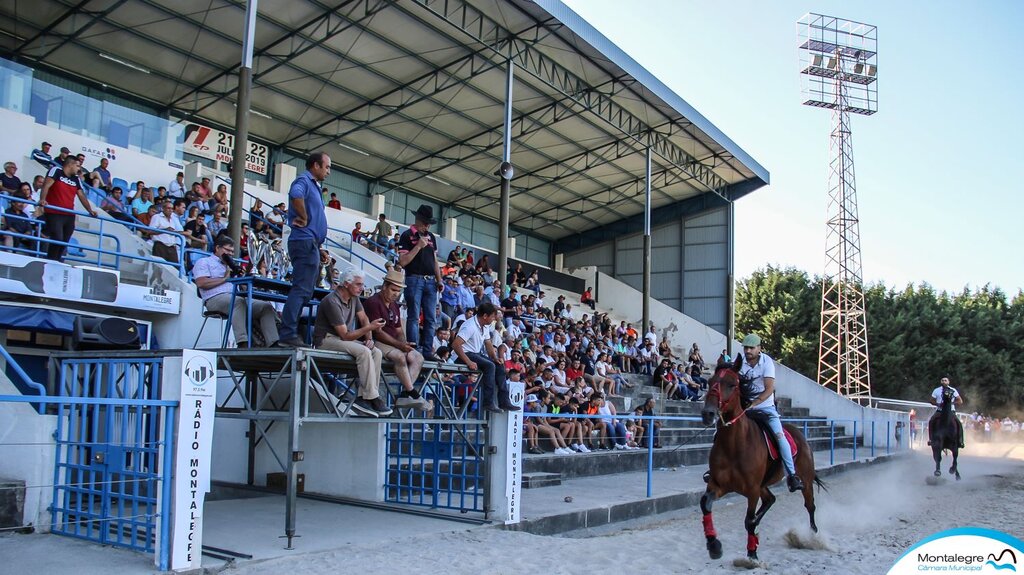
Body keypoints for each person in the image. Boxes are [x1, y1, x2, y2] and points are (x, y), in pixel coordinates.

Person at [314, 270, 391, 417]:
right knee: (364, 352)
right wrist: (370, 328)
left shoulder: (354, 298)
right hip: (326, 340)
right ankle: (372, 397)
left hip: (341, 339)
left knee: (376, 351)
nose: (361, 288)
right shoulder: (331, 301)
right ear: (346, 283)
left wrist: (369, 339)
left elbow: (364, 319)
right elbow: (345, 335)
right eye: (358, 284)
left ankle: (365, 397)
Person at [737, 333, 803, 492]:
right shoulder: (738, 362)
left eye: (751, 348)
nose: (748, 351)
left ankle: (792, 476)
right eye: (746, 347)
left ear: (759, 348)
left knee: (780, 438)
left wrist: (753, 403)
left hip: (765, 408)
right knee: (721, 430)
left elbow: (769, 389)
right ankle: (717, 469)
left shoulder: (767, 363)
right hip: (744, 408)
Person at [277, 152, 330, 347]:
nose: (328, 171)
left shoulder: (313, 185)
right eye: (327, 167)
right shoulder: (304, 180)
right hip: (304, 241)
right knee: (301, 289)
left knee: (305, 291)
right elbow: (295, 195)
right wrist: (303, 216)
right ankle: (288, 334)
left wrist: (319, 246)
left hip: (311, 243)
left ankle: (291, 333)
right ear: (315, 166)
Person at [362, 269, 433, 412]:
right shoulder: (373, 302)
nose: (396, 294)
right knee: (400, 357)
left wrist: (404, 344)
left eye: (398, 291)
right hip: (376, 341)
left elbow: (399, 330)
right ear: (384, 286)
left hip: (393, 343)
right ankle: (413, 393)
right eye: (393, 290)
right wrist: (399, 345)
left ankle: (405, 394)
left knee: (417, 357)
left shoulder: (394, 305)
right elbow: (377, 332)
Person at [193, 234, 280, 348]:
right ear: (217, 248)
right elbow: (201, 283)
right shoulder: (204, 262)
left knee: (265, 307)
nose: (230, 253)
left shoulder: (232, 265)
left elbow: (243, 288)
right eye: (227, 250)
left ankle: (273, 343)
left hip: (235, 297)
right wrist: (225, 278)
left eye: (232, 251)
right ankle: (242, 342)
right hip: (214, 299)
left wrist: (242, 276)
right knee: (238, 302)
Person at [452, 301, 520, 414]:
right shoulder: (470, 326)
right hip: (463, 354)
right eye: (493, 316)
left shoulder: (485, 326)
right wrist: (468, 362)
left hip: (475, 353)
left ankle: (504, 400)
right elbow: (456, 345)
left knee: (498, 364)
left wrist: (494, 357)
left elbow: (488, 343)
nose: (494, 319)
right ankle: (488, 402)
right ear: (485, 316)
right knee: (490, 366)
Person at [397, 204, 444, 358]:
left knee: (431, 318)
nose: (427, 226)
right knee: (414, 315)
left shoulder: (431, 238)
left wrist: (439, 280)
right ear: (418, 220)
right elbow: (402, 261)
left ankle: (427, 349)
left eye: (428, 223)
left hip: (430, 281)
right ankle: (413, 348)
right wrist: (418, 246)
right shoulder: (406, 235)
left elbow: (435, 261)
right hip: (413, 279)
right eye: (425, 223)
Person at [37, 156, 97, 261]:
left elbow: (82, 195)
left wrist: (90, 210)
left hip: (69, 215)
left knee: (64, 242)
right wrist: (42, 199)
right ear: (70, 165)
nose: (79, 169)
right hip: (54, 212)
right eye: (77, 166)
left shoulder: (76, 179)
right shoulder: (56, 171)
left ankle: (57, 261)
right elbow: (46, 185)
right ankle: (50, 261)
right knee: (57, 239)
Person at [928, 376, 965, 448]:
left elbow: (960, 401)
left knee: (959, 423)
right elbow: (931, 400)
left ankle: (960, 441)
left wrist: (951, 403)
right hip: (940, 411)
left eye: (945, 380)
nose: (944, 381)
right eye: (942, 380)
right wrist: (938, 404)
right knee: (931, 421)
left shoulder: (953, 390)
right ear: (940, 382)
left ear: (948, 382)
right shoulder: (936, 390)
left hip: (950, 411)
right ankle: (931, 439)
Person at [149, 199, 185, 263]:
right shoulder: (157, 217)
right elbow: (150, 231)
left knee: (175, 269)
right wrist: (165, 230)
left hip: (172, 247)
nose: (170, 210)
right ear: (163, 208)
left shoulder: (173, 220)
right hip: (160, 246)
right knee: (159, 267)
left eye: (171, 209)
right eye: (168, 208)